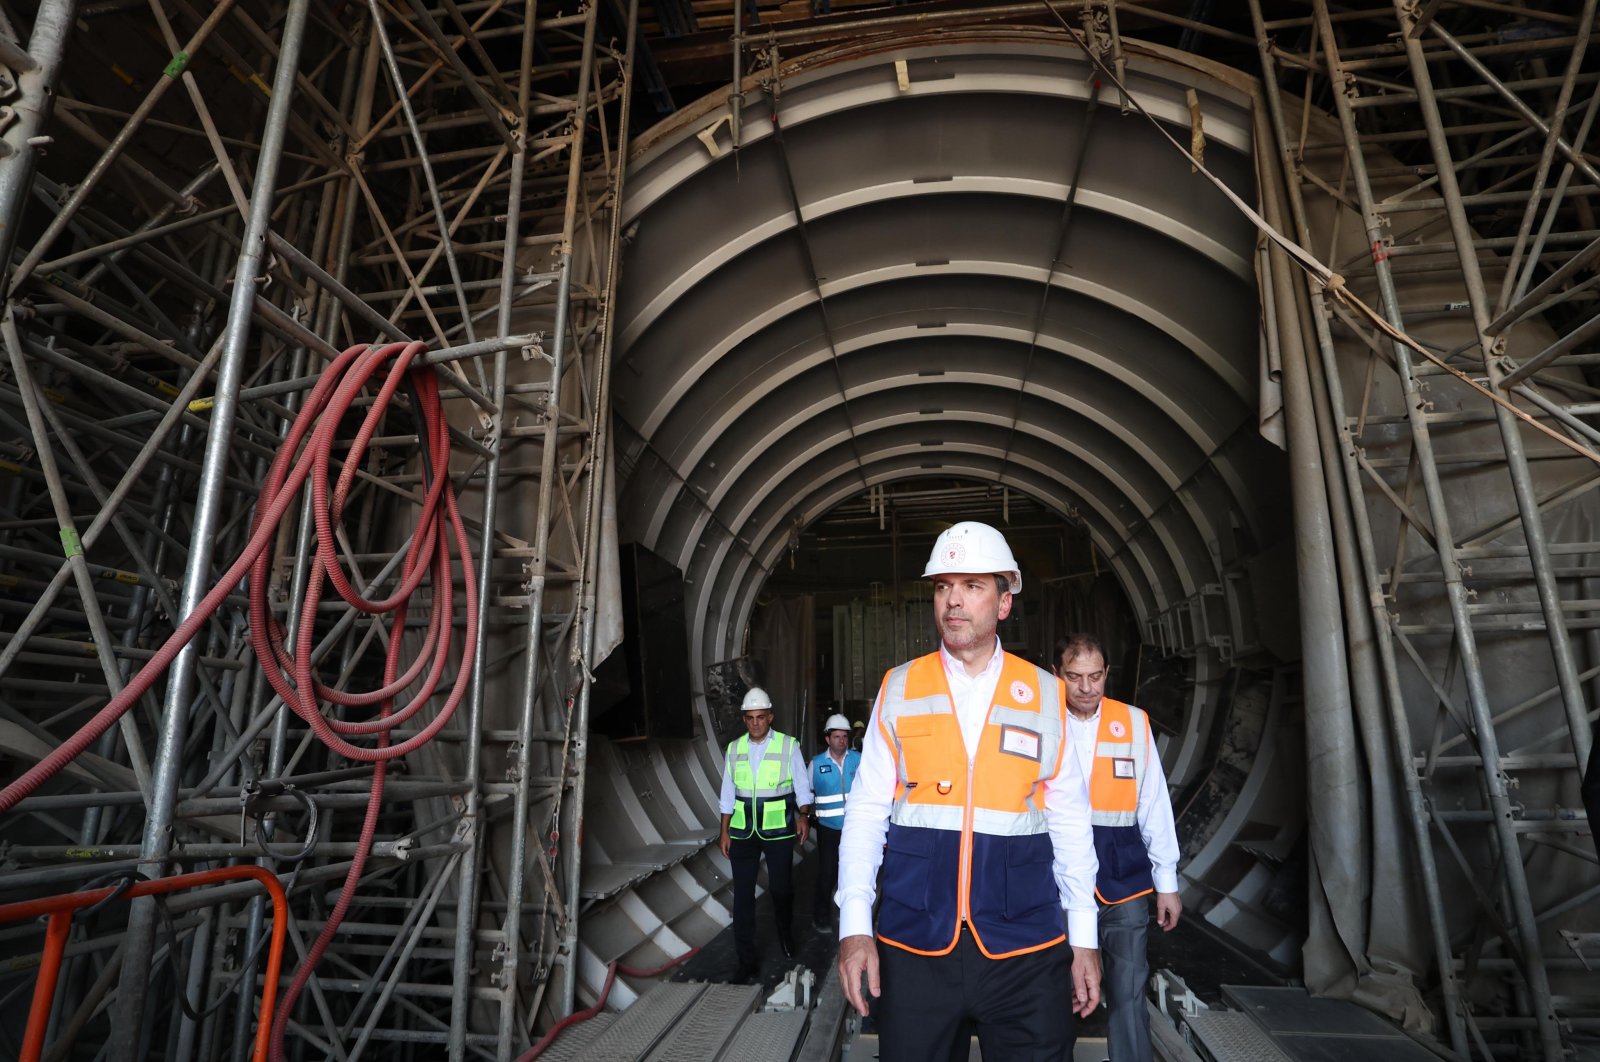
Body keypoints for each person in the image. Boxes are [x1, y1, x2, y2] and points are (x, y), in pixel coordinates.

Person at [835, 521, 1102, 1061]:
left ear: (1004, 603)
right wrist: (855, 927)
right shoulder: (899, 687)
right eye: (942, 585)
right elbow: (865, 814)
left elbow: (1071, 823)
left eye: (973, 585)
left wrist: (1085, 937)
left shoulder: (1048, 696)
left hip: (1026, 947)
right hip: (915, 946)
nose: (953, 600)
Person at [1055, 633, 1182, 1062]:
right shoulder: (1039, 720)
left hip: (1122, 883)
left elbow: (1153, 804)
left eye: (1095, 677)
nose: (1086, 688)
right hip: (1055, 883)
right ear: (1058, 675)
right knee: (1054, 996)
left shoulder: (1132, 723)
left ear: (1108, 673)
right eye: (1074, 677)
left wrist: (1166, 881)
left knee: (1128, 992)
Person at [719, 686, 813, 983]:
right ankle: (746, 961)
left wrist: (804, 817)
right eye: (750, 718)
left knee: (781, 889)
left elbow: (801, 785)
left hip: (777, 831)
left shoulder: (788, 746)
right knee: (743, 897)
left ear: (770, 717)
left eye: (761, 717)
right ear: (744, 719)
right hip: (743, 832)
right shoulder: (734, 749)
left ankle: (785, 933)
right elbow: (727, 793)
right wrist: (724, 831)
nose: (756, 722)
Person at [809, 712, 861, 932]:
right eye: (837, 736)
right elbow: (806, 794)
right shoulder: (816, 764)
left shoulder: (859, 760)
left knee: (855, 873)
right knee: (827, 873)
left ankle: (853, 917)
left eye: (845, 736)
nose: (842, 740)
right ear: (827, 739)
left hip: (854, 827)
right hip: (828, 829)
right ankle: (820, 917)